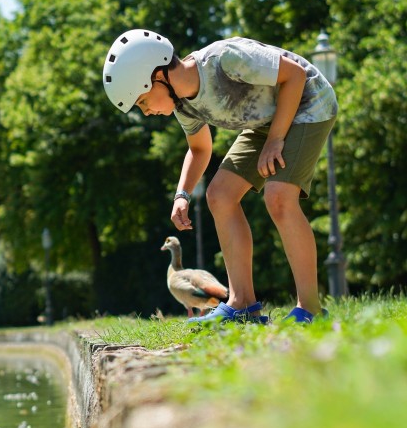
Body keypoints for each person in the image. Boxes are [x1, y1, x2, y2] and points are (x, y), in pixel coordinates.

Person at [103, 29, 338, 324]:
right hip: (267, 122)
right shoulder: (183, 104)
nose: (146, 112)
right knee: (219, 195)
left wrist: (275, 140)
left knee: (278, 197)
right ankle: (242, 305)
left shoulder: (224, 60)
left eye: (142, 101)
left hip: (308, 103)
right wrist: (182, 194)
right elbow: (200, 149)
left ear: (158, 76)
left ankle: (311, 309)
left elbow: (295, 76)